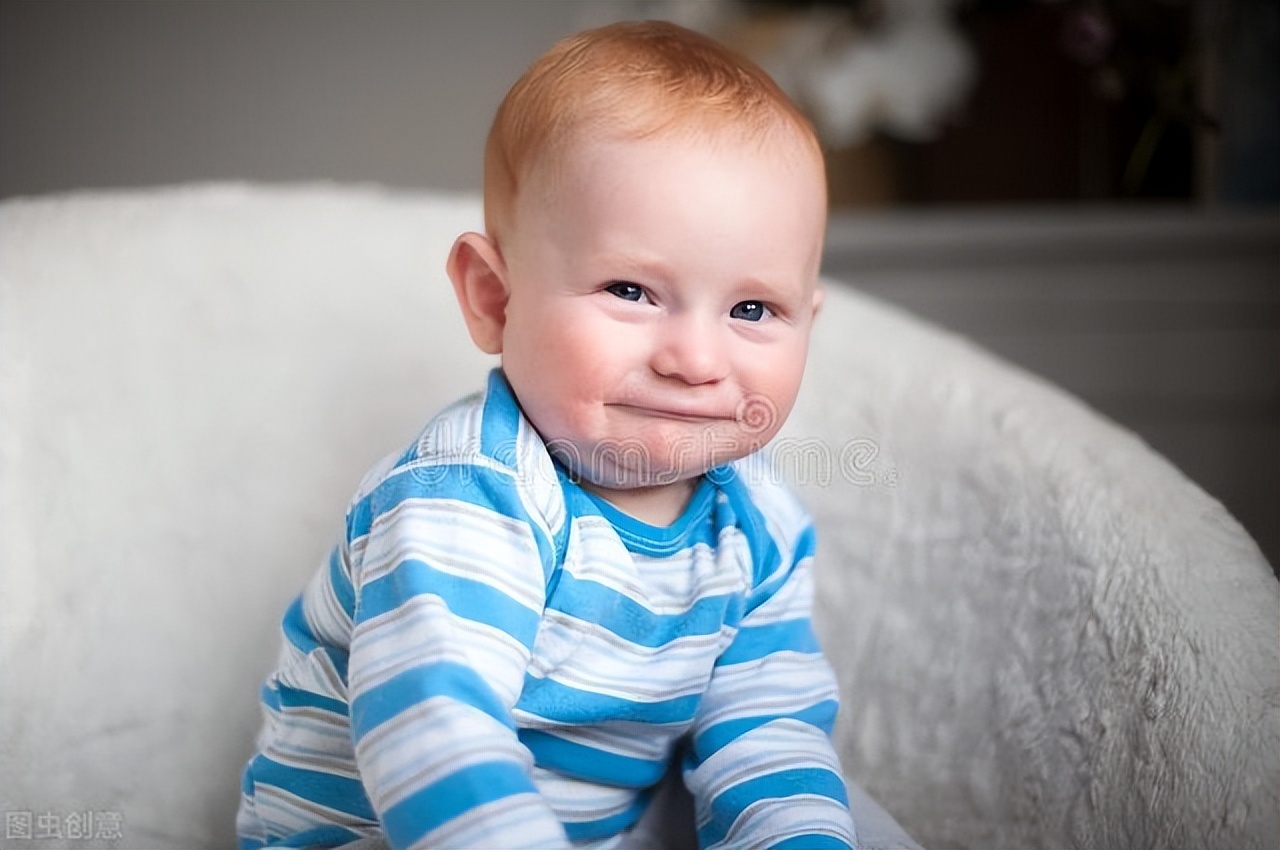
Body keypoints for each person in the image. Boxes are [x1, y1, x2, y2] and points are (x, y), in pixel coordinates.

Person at [237, 19, 857, 850]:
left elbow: (766, 735)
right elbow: (436, 739)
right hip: (402, 832)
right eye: (632, 290)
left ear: (807, 321)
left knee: (845, 820)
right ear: (496, 298)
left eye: (753, 310)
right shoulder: (467, 496)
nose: (696, 358)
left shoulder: (759, 525)